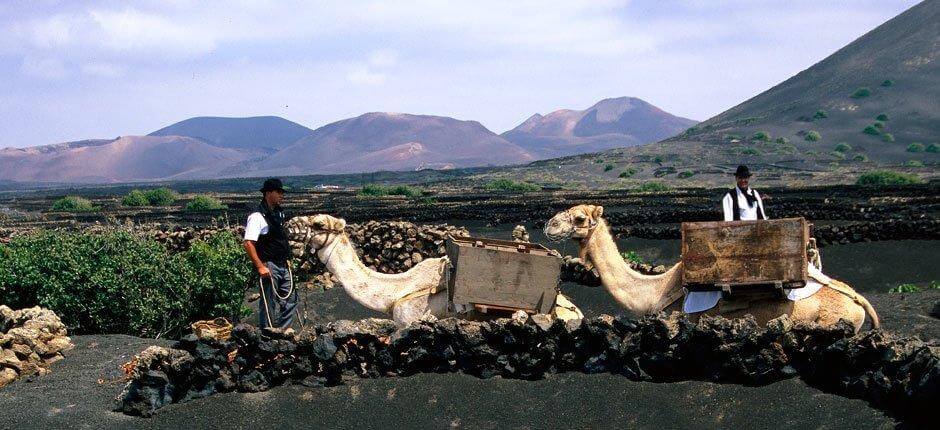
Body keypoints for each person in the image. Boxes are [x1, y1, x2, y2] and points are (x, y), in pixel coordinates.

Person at [684, 165, 769, 313]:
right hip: (738, 239)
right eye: (741, 178)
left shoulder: (755, 194)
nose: (743, 180)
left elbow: (762, 217)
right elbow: (728, 223)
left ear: (749, 179)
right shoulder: (729, 197)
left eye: (746, 178)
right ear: (736, 179)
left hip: (756, 238)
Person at [243, 178, 297, 329]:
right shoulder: (257, 217)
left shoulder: (279, 214)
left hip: (283, 264)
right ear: (268, 193)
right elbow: (248, 243)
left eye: (282, 192)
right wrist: (260, 267)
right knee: (269, 301)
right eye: (278, 192)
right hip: (269, 264)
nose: (281, 195)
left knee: (291, 299)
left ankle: (283, 332)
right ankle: (267, 336)